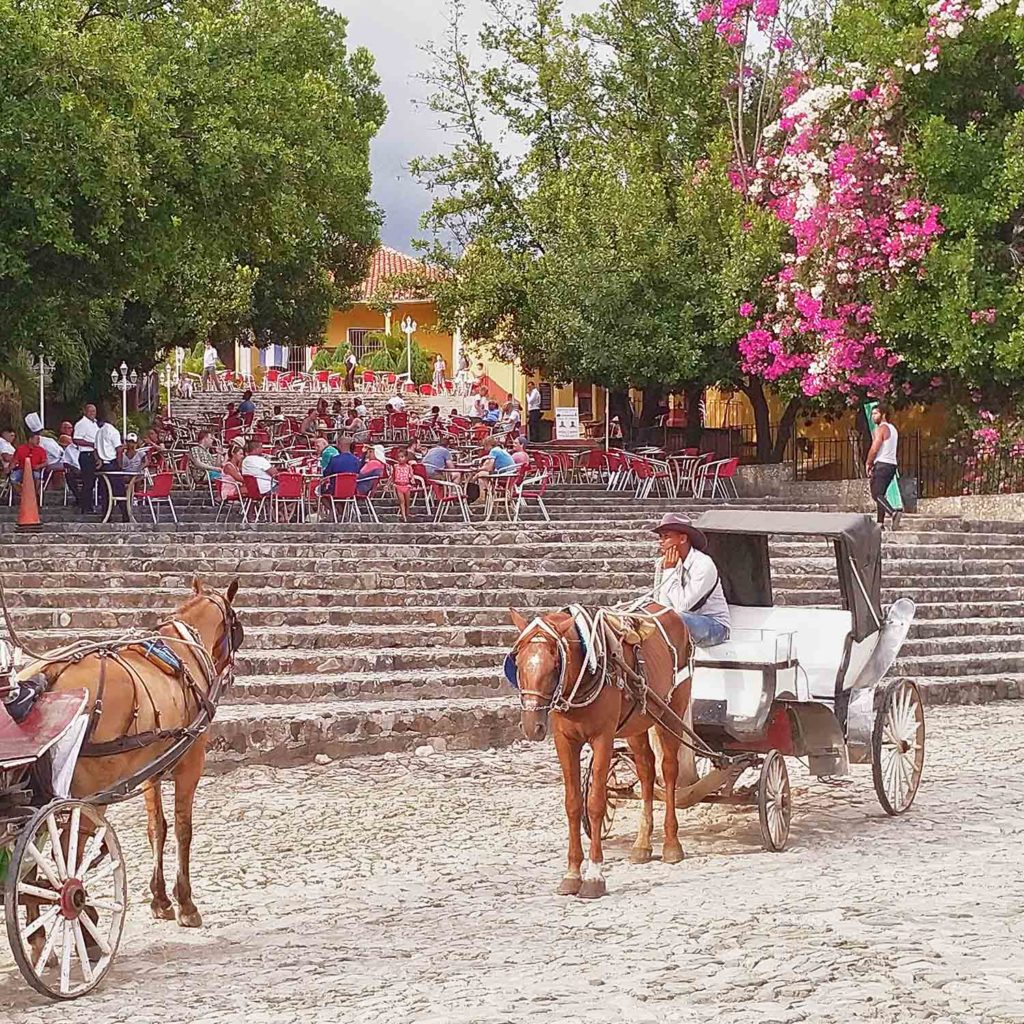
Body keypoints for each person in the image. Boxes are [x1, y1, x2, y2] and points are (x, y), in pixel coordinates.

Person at [651, 514, 730, 648]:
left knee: (675, 619)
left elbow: (682, 606)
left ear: (682, 539)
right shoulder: (664, 563)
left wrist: (669, 570)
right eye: (660, 537)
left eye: (666, 537)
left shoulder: (703, 564)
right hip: (681, 619)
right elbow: (663, 605)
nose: (661, 542)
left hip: (714, 625)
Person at [866, 401, 902, 529]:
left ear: (883, 414)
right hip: (892, 465)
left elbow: (875, 448)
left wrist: (869, 462)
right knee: (881, 494)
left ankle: (893, 513)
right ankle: (880, 523)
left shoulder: (881, 428)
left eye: (876, 413)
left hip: (882, 464)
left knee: (876, 494)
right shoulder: (893, 429)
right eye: (872, 414)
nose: (873, 416)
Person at [95, 412, 124, 519]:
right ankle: (125, 514)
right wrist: (120, 465)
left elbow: (95, 449)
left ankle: (106, 515)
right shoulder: (113, 432)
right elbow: (119, 450)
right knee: (119, 490)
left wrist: (99, 460)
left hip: (103, 464)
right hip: (112, 463)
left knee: (105, 491)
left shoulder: (99, 432)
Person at [72, 403, 99, 514]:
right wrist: (91, 444)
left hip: (94, 454)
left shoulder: (95, 424)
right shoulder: (82, 424)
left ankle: (90, 505)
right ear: (85, 412)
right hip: (86, 454)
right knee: (87, 482)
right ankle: (85, 507)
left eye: (94, 411)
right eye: (90, 411)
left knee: (92, 481)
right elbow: (76, 439)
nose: (93, 413)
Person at [392, 447, 415, 522]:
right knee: (402, 501)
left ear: (406, 458)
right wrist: (387, 485)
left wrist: (412, 480)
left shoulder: (409, 467)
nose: (400, 459)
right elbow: (392, 476)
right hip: (398, 485)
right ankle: (404, 516)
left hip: (407, 485)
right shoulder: (395, 466)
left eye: (402, 457)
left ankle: (407, 513)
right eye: (398, 457)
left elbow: (411, 476)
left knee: (407, 502)